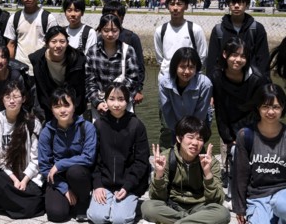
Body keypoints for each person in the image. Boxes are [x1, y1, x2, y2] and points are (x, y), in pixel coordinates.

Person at [141, 116, 230, 224]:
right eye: (190, 137)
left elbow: (217, 201)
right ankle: (190, 222)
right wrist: (159, 175)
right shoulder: (167, 157)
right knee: (148, 207)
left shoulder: (211, 162)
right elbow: (156, 197)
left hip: (201, 207)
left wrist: (207, 173)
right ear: (179, 138)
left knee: (223, 214)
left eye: (200, 139)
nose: (195, 143)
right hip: (173, 206)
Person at [87, 84, 150, 224]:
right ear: (105, 101)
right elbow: (92, 158)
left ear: (127, 101)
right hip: (105, 183)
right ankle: (108, 203)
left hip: (129, 184)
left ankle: (123, 204)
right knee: (97, 217)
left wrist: (128, 185)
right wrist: (97, 184)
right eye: (112, 99)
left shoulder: (136, 125)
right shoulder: (98, 125)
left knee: (119, 220)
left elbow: (142, 161)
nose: (116, 104)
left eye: (121, 99)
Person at [0, 81, 44, 219]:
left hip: (29, 174)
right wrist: (15, 179)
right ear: (2, 99)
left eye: (16, 96)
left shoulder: (32, 122)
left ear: (23, 98)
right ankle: (16, 203)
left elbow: (36, 158)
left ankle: (8, 204)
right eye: (7, 97)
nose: (11, 101)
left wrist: (25, 180)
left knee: (35, 198)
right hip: (8, 174)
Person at [38, 86, 96, 222]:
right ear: (52, 110)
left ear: (74, 107)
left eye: (66, 105)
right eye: (57, 106)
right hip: (58, 179)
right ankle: (68, 199)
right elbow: (45, 167)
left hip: (80, 176)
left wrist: (60, 164)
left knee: (74, 171)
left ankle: (83, 202)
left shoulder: (86, 127)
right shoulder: (47, 132)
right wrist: (64, 189)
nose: (62, 110)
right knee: (56, 215)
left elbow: (89, 158)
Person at [210, 38, 269, 168]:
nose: (238, 60)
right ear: (225, 54)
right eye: (234, 55)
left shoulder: (256, 79)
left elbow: (259, 111)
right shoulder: (217, 76)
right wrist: (229, 138)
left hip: (252, 126)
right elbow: (220, 111)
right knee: (233, 160)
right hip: (229, 122)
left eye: (243, 56)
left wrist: (243, 134)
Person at [232, 84, 286, 224]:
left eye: (276, 107)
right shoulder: (246, 135)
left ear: (283, 108)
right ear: (258, 108)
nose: (270, 112)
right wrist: (239, 208)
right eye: (265, 106)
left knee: (282, 206)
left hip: (283, 193)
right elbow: (241, 174)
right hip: (258, 196)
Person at [85, 14, 139, 120]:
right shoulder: (92, 52)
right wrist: (98, 103)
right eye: (106, 30)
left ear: (120, 30)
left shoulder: (128, 50)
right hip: (100, 107)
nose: (110, 34)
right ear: (100, 30)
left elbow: (133, 79)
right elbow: (89, 81)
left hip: (122, 105)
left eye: (114, 30)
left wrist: (118, 100)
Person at [207, 0, 270, 76]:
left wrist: (264, 83)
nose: (236, 5)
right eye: (233, 2)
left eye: (240, 2)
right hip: (224, 81)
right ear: (228, 4)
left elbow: (263, 59)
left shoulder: (257, 28)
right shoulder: (218, 30)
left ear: (247, 4)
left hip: (251, 82)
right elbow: (212, 61)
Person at [4, 0, 58, 82]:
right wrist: (10, 68)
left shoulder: (48, 18)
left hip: (42, 69)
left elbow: (54, 44)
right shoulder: (14, 18)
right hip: (19, 69)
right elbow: (10, 45)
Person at [29, 26, 86, 122]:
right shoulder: (38, 60)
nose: (58, 45)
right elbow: (42, 91)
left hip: (73, 108)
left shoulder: (78, 59)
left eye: (62, 41)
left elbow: (79, 89)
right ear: (47, 44)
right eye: (54, 41)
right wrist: (54, 110)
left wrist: (72, 109)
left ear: (67, 43)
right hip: (49, 108)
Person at [159, 47, 213, 148]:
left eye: (191, 67)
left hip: (198, 123)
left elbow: (200, 113)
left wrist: (190, 135)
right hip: (174, 124)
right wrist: (179, 133)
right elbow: (167, 111)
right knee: (173, 150)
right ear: (175, 67)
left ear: (197, 68)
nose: (187, 71)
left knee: (194, 148)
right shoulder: (164, 82)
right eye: (182, 67)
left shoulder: (205, 84)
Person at [154, 0, 208, 80]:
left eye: (179, 4)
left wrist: (191, 72)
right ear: (167, 6)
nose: (175, 8)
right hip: (167, 78)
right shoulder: (160, 30)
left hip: (190, 78)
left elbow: (202, 55)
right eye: (171, 4)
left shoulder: (195, 29)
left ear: (186, 6)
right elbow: (159, 58)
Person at [102, 0, 146, 105]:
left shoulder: (131, 38)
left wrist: (138, 89)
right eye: (106, 15)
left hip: (127, 91)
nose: (110, 19)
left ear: (122, 17)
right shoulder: (100, 38)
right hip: (104, 91)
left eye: (114, 16)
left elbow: (139, 66)